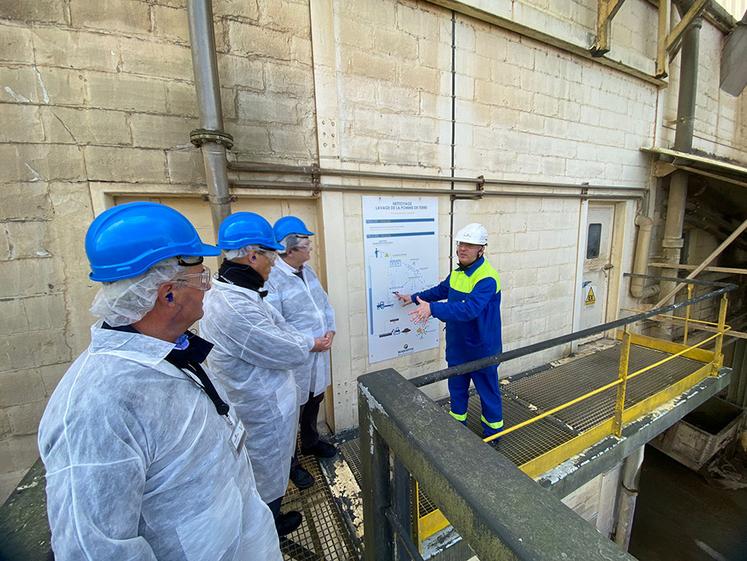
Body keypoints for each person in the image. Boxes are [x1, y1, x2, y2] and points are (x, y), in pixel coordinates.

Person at [38, 202, 281, 560]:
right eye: (202, 278)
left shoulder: (169, 350)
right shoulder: (96, 406)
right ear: (168, 294)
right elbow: (93, 551)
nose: (208, 288)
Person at [200, 212, 331, 537]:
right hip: (259, 408)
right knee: (264, 471)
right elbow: (282, 344)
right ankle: (266, 529)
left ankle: (271, 518)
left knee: (270, 468)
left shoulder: (244, 292)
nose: (273, 262)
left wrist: (316, 336)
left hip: (276, 393)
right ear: (252, 254)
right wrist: (308, 342)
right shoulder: (236, 305)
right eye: (269, 254)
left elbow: (284, 325)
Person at [396, 223, 504, 437]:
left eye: (470, 245)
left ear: (481, 249)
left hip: (482, 349)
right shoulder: (458, 273)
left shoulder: (487, 278)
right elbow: (440, 290)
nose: (462, 249)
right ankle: (458, 431)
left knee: (488, 393)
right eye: (461, 244)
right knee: (457, 391)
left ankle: (493, 434)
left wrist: (432, 309)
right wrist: (414, 297)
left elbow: (469, 309)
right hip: (458, 347)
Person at [266, 216, 337, 490]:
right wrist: (310, 342)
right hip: (298, 356)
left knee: (314, 399)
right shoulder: (272, 279)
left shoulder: (308, 272)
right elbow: (275, 324)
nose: (310, 249)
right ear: (289, 249)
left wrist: (330, 330)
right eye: (305, 244)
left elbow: (324, 305)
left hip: (319, 351)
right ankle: (291, 463)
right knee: (290, 410)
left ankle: (310, 442)